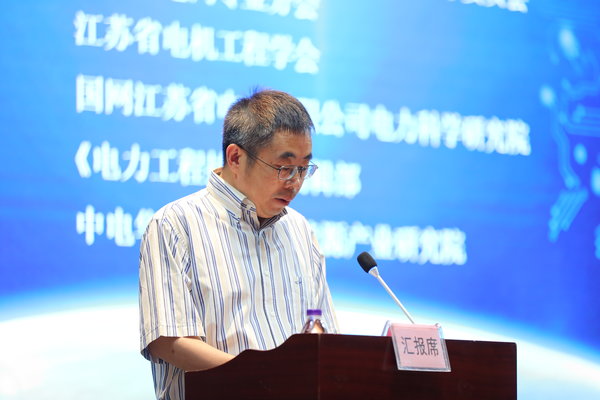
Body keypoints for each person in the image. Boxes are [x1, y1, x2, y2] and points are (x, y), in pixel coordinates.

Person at [138, 89, 339, 400]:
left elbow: (324, 337)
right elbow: (170, 342)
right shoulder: (176, 224)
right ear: (235, 158)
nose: (295, 183)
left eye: (303, 169)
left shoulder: (300, 230)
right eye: (284, 168)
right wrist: (264, 381)